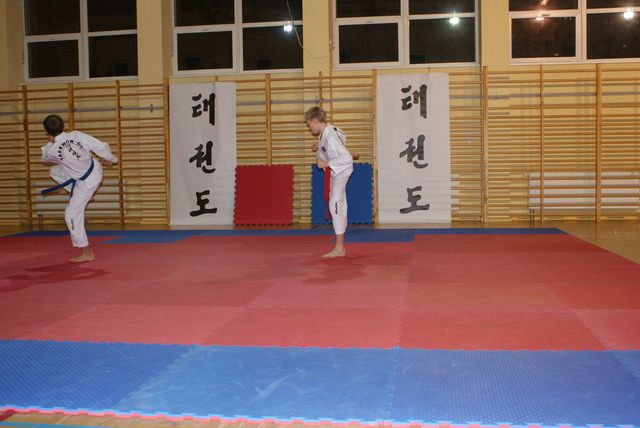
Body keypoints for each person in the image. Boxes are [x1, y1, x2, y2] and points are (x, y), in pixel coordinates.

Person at [40, 114, 118, 262]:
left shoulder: (51, 150)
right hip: (94, 170)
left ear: (47, 133)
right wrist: (111, 159)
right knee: (54, 171)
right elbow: (101, 146)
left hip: (88, 183)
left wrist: (50, 142)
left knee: (71, 215)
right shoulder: (77, 135)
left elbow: (44, 159)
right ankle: (80, 192)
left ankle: (87, 253)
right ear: (64, 126)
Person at [305, 106, 354, 258]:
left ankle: (339, 248)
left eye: (309, 124)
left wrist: (325, 163)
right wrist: (320, 147)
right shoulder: (329, 130)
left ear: (315, 121)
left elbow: (347, 158)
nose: (309, 128)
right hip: (337, 171)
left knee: (335, 204)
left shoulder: (330, 137)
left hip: (341, 171)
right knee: (338, 204)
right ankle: (340, 246)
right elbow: (342, 137)